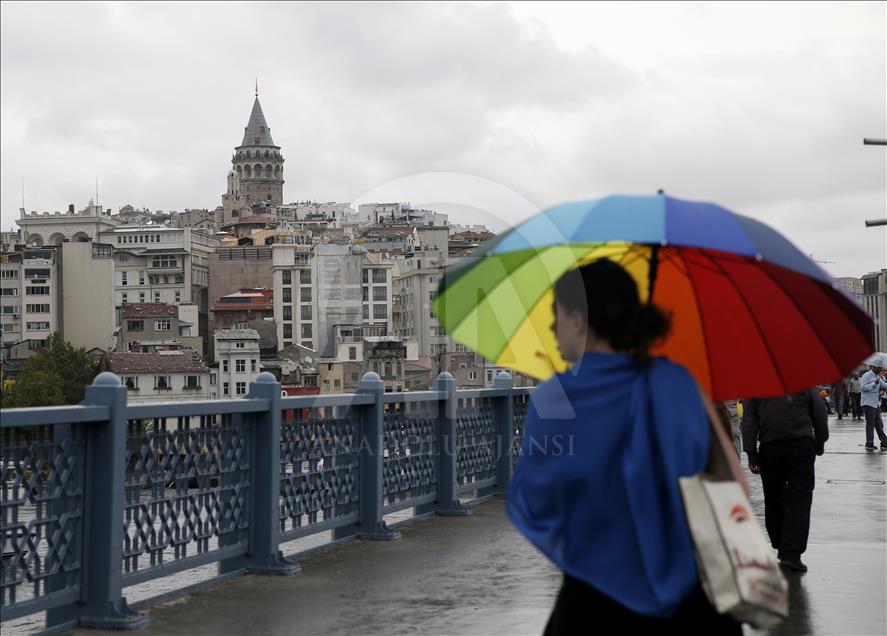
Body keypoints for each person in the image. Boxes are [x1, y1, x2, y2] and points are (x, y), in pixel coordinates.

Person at [506, 260, 741, 635]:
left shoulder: (555, 398)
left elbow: (538, 503)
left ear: (580, 320)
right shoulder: (678, 383)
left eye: (557, 315)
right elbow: (729, 486)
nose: (552, 328)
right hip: (687, 599)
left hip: (593, 599)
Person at [742, 391, 828, 573]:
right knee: (800, 498)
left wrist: (751, 453)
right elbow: (819, 412)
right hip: (800, 446)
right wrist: (820, 441)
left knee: (773, 497)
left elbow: (749, 419)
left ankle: (780, 541)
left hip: (770, 447)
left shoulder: (757, 385)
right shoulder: (803, 382)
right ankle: (791, 553)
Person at [860, 362, 887, 450]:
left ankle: (884, 442)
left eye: (881, 368)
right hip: (868, 403)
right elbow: (863, 388)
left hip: (876, 403)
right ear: (873, 367)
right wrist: (874, 384)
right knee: (870, 424)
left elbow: (883, 385)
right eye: (879, 368)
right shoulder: (866, 375)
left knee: (879, 424)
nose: (880, 369)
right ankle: (869, 443)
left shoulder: (877, 376)